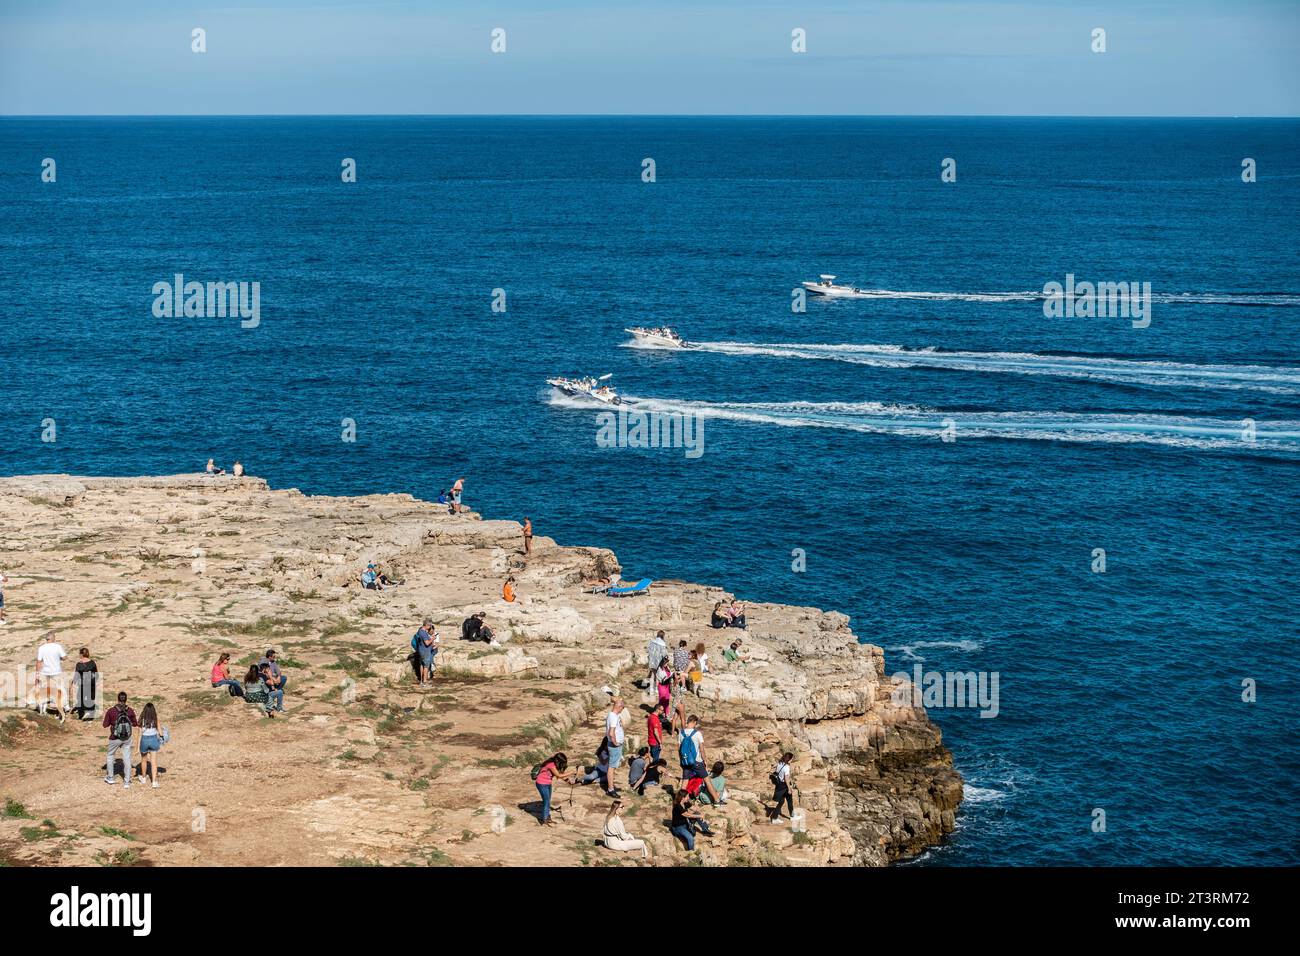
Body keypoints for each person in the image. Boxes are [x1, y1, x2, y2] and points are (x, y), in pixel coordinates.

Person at [678, 715, 721, 803]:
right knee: (707, 780)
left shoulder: (681, 733)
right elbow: (701, 749)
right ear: (694, 722)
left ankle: (679, 801)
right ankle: (717, 800)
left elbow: (679, 749)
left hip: (685, 761)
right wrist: (705, 760)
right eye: (695, 724)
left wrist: (681, 761)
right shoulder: (697, 733)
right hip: (697, 761)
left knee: (685, 782)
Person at [103, 692, 138, 787]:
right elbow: (135, 724)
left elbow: (105, 725)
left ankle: (110, 778)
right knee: (127, 758)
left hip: (114, 738)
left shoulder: (111, 711)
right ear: (126, 699)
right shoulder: (130, 710)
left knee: (110, 755)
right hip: (127, 738)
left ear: (118, 699)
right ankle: (127, 781)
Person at [532, 752, 574, 826]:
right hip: (541, 784)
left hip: (547, 783)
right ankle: (544, 820)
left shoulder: (555, 765)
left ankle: (547, 817)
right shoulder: (551, 765)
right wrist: (571, 772)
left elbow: (559, 775)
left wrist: (569, 782)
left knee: (548, 801)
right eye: (562, 762)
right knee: (546, 801)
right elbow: (559, 775)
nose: (563, 764)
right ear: (558, 761)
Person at [35, 631, 67, 722]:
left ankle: (43, 711)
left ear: (46, 639)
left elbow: (38, 661)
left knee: (44, 691)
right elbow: (64, 657)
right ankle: (63, 709)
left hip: (45, 672)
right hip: (56, 672)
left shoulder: (41, 648)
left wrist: (37, 674)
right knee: (59, 691)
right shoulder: (57, 646)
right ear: (53, 638)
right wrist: (59, 657)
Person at [138, 702, 168, 789]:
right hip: (153, 740)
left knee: (143, 760)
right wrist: (163, 737)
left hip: (144, 740)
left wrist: (137, 747)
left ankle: (143, 778)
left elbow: (139, 734)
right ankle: (154, 782)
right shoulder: (155, 718)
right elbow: (160, 732)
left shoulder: (141, 719)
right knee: (154, 762)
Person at [72, 647, 98, 720]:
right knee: (90, 699)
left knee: (80, 699)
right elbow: (97, 674)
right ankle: (90, 715)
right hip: (92, 684)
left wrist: (73, 682)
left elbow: (76, 676)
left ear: (81, 655)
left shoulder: (79, 664)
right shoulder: (92, 663)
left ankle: (81, 715)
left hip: (83, 684)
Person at [769, 751, 795, 823]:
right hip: (784, 786)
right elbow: (786, 779)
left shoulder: (780, 763)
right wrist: (789, 789)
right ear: (788, 759)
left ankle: (775, 817)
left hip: (779, 784)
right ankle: (775, 818)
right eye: (791, 759)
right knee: (787, 801)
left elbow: (774, 766)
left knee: (783, 801)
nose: (792, 760)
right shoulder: (786, 767)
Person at [605, 698, 627, 774]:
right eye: (622, 708)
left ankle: (610, 783)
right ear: (619, 707)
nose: (622, 710)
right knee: (612, 767)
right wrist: (615, 743)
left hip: (616, 744)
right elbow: (611, 733)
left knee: (613, 765)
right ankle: (610, 786)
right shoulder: (613, 717)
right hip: (614, 745)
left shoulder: (614, 715)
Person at [414, 618, 439, 685]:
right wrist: (432, 638)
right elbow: (427, 643)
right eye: (430, 626)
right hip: (425, 651)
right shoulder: (423, 633)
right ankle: (425, 681)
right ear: (427, 625)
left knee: (422, 665)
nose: (430, 628)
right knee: (426, 666)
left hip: (421, 650)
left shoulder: (420, 631)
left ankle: (422, 681)